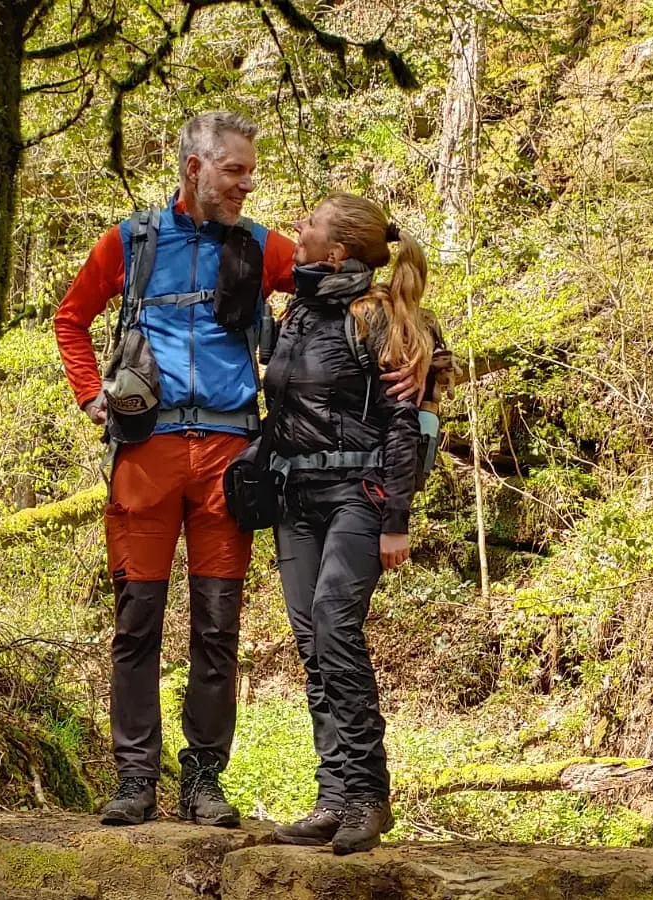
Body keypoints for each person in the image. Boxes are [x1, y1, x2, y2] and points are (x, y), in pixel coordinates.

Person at [54, 111, 296, 827]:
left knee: (219, 626)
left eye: (250, 170)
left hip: (230, 457)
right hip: (146, 453)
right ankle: (135, 779)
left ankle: (204, 782)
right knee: (137, 622)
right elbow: (71, 318)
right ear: (195, 167)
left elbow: (338, 277)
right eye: (235, 170)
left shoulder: (262, 246)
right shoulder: (131, 241)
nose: (247, 183)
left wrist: (412, 343)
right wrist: (88, 393)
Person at [265, 192, 437, 855]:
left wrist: (396, 519)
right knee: (314, 645)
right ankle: (332, 796)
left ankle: (369, 794)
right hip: (295, 499)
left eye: (306, 224)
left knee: (337, 628)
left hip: (357, 497)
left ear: (336, 251)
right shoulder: (299, 309)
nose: (296, 231)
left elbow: (402, 423)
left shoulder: (376, 316)